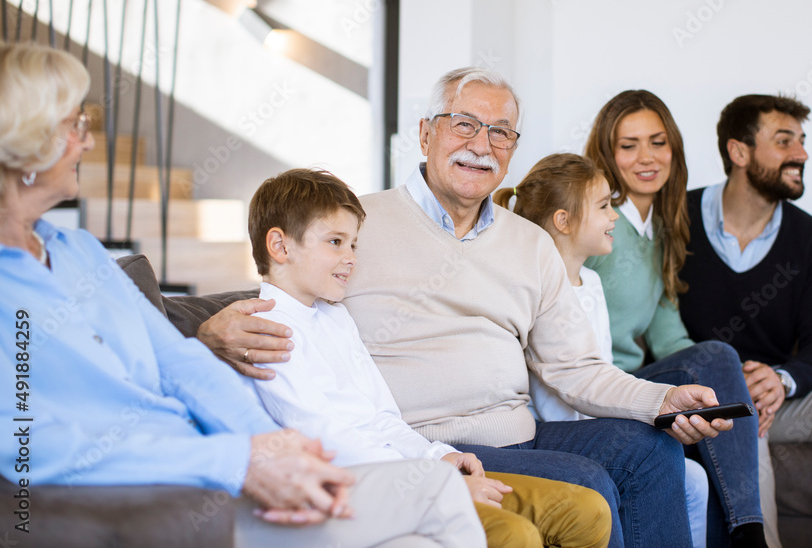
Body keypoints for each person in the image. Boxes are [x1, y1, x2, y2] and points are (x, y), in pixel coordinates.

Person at [199, 67, 737, 548]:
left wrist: (663, 398)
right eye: (464, 125)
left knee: (652, 450)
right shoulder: (358, 223)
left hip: (514, 432)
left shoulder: (531, 245)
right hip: (418, 440)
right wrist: (213, 330)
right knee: (585, 481)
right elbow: (290, 281)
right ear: (426, 133)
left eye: (501, 132)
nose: (482, 144)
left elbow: (576, 370)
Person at [0, 41, 485, 548]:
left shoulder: (81, 252)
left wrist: (271, 449)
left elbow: (180, 363)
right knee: (433, 494)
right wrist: (239, 462)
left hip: (215, 474)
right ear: (23, 141)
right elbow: (28, 445)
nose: (88, 143)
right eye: (74, 127)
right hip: (165, 500)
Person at [243, 167, 612, 548]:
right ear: (280, 246)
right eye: (335, 242)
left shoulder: (334, 316)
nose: (351, 258)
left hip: (410, 471)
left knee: (585, 510)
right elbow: (324, 439)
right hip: (365, 486)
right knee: (513, 533)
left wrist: (439, 456)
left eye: (353, 244)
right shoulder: (263, 330)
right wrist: (432, 483)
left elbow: (383, 417)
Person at [677, 94, 812, 548]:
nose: (802, 154)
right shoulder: (677, 220)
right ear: (739, 152)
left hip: (779, 398)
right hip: (710, 399)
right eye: (784, 141)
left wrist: (781, 379)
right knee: (742, 416)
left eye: (801, 140)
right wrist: (731, 387)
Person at [494, 152, 710, 548]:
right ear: (563, 221)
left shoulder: (592, 284)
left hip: (595, 422)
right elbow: (561, 389)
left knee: (694, 479)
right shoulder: (533, 286)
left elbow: (602, 372)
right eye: (604, 206)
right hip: (558, 432)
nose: (614, 216)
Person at [583, 90, 767, 547]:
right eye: (628, 146)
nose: (646, 157)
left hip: (632, 381)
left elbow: (669, 337)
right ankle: (751, 536)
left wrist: (726, 381)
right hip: (594, 387)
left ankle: (745, 533)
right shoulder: (597, 222)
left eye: (657, 142)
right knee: (716, 360)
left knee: (719, 373)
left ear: (673, 149)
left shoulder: (661, 226)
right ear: (608, 154)